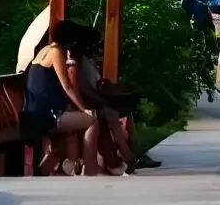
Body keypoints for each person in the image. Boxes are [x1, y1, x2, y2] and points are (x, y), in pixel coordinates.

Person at [66, 24, 160, 173]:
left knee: (123, 113)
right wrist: (100, 101)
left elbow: (96, 84)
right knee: (111, 113)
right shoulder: (76, 63)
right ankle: (129, 158)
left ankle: (129, 155)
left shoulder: (87, 60)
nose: (96, 47)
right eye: (93, 44)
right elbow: (83, 89)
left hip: (96, 100)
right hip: (87, 103)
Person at [19, 20, 104, 176]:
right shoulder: (56, 52)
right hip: (46, 116)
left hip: (31, 113)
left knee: (73, 126)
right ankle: (90, 168)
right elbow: (67, 86)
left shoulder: (44, 50)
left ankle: (69, 165)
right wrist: (84, 109)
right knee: (93, 121)